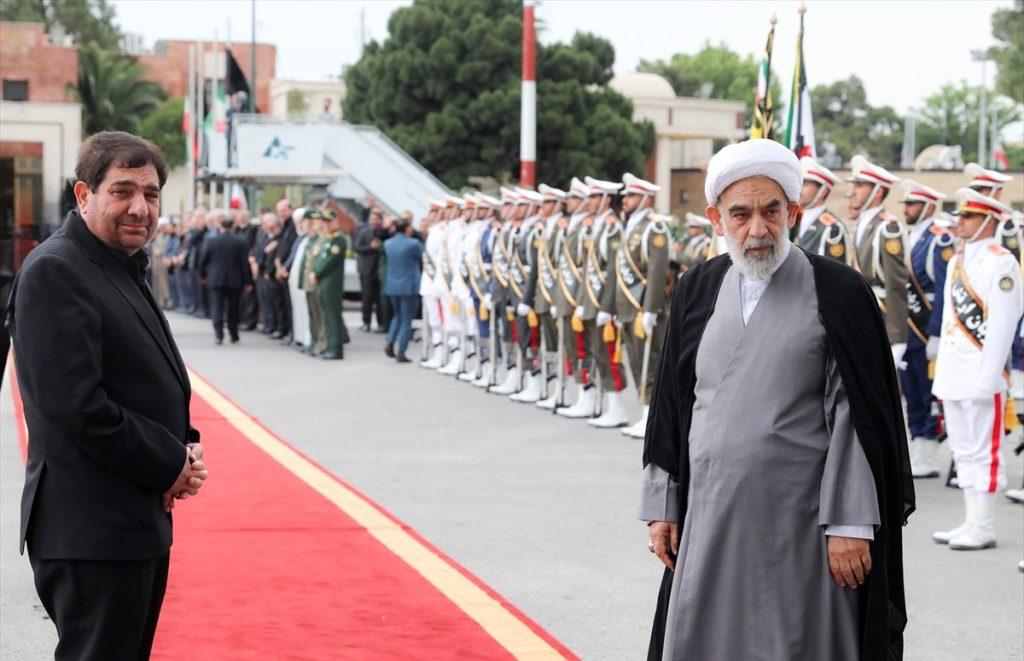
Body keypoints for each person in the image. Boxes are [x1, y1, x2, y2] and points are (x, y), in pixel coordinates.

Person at [641, 139, 912, 661]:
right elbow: (672, 402)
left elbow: (855, 417)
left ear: (794, 211)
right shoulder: (698, 287)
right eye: (740, 214)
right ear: (716, 219)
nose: (757, 229)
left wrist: (851, 525)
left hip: (801, 526)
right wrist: (662, 504)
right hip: (710, 516)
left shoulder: (837, 290)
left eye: (771, 211)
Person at [7, 131, 209, 659]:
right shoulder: (58, 269)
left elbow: (140, 378)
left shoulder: (119, 262)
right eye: (122, 191)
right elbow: (77, 405)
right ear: (83, 195)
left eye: (150, 193)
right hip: (90, 529)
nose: (139, 207)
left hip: (129, 517)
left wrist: (184, 445)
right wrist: (170, 462)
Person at [931, 189, 1021, 551]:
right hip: (955, 370)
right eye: (960, 215)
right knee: (964, 448)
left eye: (968, 216)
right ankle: (970, 519)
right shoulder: (957, 261)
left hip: (982, 370)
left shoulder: (1002, 263)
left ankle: (983, 524)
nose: (960, 221)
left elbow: (1002, 325)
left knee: (985, 450)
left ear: (988, 220)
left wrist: (990, 376)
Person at [605, 173, 670, 438]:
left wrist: (651, 309)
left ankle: (651, 417)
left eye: (631, 196)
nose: (626, 200)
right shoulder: (628, 226)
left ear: (645, 198)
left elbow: (656, 271)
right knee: (634, 361)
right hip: (628, 308)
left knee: (649, 363)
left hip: (644, 308)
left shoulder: (654, 229)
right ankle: (644, 412)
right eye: (626, 195)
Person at [897, 180, 953, 478]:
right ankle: (917, 445)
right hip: (907, 327)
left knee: (928, 392)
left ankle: (929, 451)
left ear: (929, 207)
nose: (906, 208)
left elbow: (943, 290)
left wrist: (936, 333)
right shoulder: (908, 236)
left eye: (912, 204)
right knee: (911, 390)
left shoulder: (939, 240)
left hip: (926, 327)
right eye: (905, 204)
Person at [847, 154, 909, 369]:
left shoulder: (888, 228)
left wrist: (897, 338)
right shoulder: (861, 224)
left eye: (860, 185)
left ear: (878, 191)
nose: (852, 191)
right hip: (861, 318)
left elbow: (896, 286)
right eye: (854, 184)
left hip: (881, 319)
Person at [200, 212, 254, 345]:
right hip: (234, 280)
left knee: (217, 307)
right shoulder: (240, 241)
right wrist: (248, 281)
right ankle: (234, 334)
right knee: (233, 308)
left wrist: (202, 276)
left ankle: (218, 335)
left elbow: (203, 261)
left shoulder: (212, 241)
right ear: (233, 227)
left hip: (215, 279)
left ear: (220, 227)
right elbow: (244, 263)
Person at [383, 216, 424, 362]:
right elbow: (421, 256)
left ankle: (390, 341)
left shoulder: (388, 243)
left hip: (393, 284)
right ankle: (401, 352)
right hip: (409, 285)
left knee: (397, 315)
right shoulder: (413, 243)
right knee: (407, 319)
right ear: (407, 228)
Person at [796, 156, 849, 262]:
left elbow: (836, 275)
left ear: (823, 191)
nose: (799, 190)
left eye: (805, 185)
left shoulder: (833, 229)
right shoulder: (797, 220)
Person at [310, 209, 347, 360]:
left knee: (333, 317)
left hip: (331, 284)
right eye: (324, 222)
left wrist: (316, 273)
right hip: (324, 283)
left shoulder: (338, 240)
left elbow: (329, 262)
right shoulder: (329, 239)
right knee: (326, 317)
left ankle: (336, 349)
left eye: (328, 221)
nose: (325, 224)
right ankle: (329, 346)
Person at [354, 207, 385, 332]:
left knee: (380, 299)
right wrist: (369, 247)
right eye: (373, 219)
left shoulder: (383, 233)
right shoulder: (363, 232)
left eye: (377, 219)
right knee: (366, 298)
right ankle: (366, 322)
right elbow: (356, 247)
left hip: (379, 270)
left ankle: (381, 323)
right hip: (367, 269)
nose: (375, 222)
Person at [271, 198, 297, 340]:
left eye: (283, 210)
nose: (281, 213)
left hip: (288, 270)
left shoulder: (292, 226)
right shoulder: (285, 226)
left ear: (290, 210)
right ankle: (287, 331)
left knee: (290, 305)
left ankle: (291, 332)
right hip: (282, 268)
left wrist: (284, 266)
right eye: (279, 211)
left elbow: (292, 248)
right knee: (284, 303)